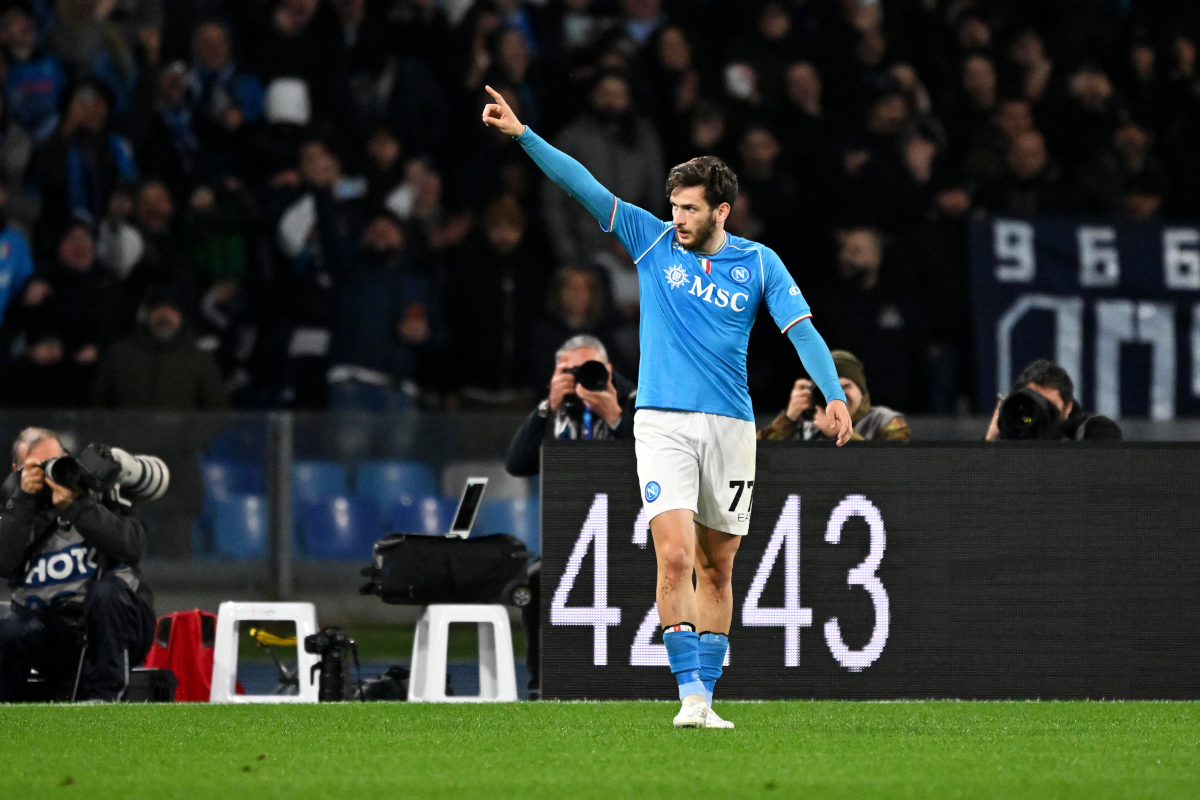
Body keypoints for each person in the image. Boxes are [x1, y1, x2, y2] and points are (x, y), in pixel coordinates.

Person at [482, 84, 850, 728]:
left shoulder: (759, 264)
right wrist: (522, 134)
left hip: (732, 427)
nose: (676, 217)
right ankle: (686, 695)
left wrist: (835, 394)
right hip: (661, 422)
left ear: (722, 212)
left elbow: (803, 331)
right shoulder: (651, 242)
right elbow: (583, 185)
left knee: (718, 565)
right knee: (674, 554)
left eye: (688, 209)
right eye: (673, 206)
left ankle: (706, 699)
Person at [0, 428, 156, 701]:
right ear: (18, 470)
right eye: (38, 467)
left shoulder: (100, 490)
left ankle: (103, 701)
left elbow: (132, 548)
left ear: (68, 457)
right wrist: (23, 501)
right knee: (11, 628)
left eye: (56, 462)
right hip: (55, 631)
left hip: (117, 624)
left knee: (106, 593)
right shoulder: (14, 510)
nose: (50, 473)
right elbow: (3, 564)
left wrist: (78, 507)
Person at [759, 350, 911, 442]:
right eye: (830, 388)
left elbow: (900, 467)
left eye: (846, 386)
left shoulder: (885, 422)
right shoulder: (804, 424)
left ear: (862, 391)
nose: (838, 396)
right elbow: (752, 461)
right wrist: (789, 418)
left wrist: (843, 434)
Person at [986, 359, 1122, 441]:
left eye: (1049, 406)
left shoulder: (1098, 429)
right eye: (1033, 404)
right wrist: (991, 440)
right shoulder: (1017, 431)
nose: (1039, 413)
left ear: (1068, 407)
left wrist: (1048, 434)